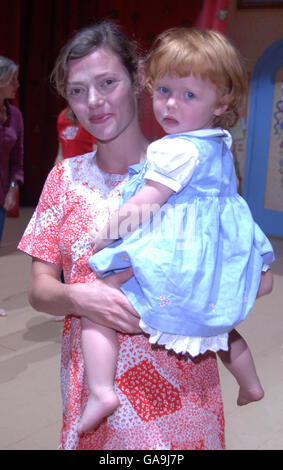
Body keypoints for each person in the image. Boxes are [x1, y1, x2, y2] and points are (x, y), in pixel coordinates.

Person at [18, 21, 228, 450]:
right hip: (95, 401)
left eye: (107, 82)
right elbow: (40, 289)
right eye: (77, 91)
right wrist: (80, 297)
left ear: (139, 81)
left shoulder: (193, 172)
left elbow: (242, 268)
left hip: (181, 400)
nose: (93, 102)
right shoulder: (64, 179)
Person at [81, 27, 275, 435]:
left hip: (178, 255)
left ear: (222, 102)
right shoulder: (218, 142)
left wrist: (107, 233)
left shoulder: (177, 148)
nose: (171, 104)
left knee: (98, 303)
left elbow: (146, 202)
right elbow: (228, 207)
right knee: (219, 327)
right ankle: (251, 384)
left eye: (189, 95)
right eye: (164, 90)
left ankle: (100, 389)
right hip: (211, 258)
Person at [0, 56, 24, 317]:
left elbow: (19, 156)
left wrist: (14, 186)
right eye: (13, 80)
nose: (17, 85)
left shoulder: (15, 115)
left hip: (2, 194)